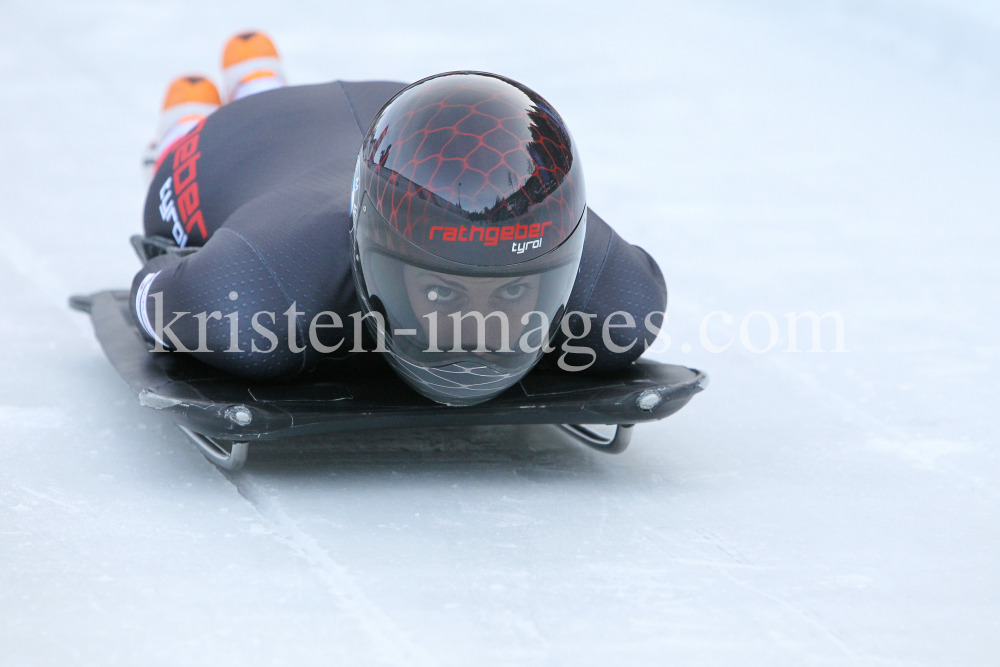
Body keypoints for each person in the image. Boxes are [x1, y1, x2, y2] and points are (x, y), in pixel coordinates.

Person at [132, 31, 668, 406]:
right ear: (372, 259)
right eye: (442, 294)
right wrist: (183, 295)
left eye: (511, 292)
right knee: (190, 146)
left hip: (406, 120)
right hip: (237, 144)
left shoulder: (616, 294)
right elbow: (151, 284)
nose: (476, 337)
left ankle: (258, 76)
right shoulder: (248, 302)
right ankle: (196, 118)